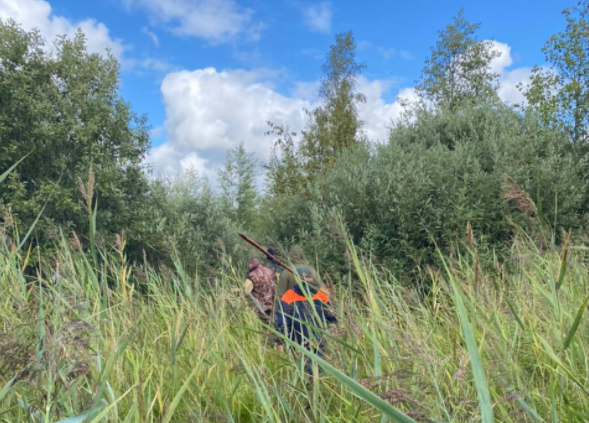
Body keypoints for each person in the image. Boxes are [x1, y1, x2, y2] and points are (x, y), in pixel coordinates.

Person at [275, 267, 337, 377]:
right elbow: (333, 317)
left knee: (309, 367)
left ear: (297, 279)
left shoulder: (288, 297)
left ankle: (312, 387)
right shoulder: (322, 293)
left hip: (302, 341)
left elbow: (282, 323)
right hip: (323, 338)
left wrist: (283, 341)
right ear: (312, 279)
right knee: (323, 365)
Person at [243, 256, 277, 322]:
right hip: (272, 307)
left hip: (259, 309)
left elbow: (245, 292)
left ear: (250, 265)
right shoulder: (271, 271)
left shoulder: (252, 275)